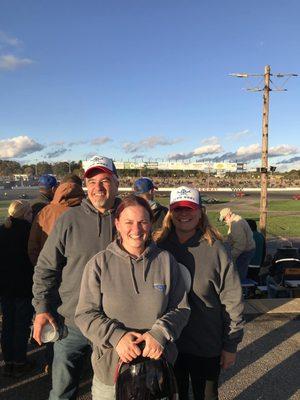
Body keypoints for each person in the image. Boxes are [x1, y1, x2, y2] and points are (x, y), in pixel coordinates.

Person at [75, 194, 190, 399]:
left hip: (157, 372)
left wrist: (159, 334)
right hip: (111, 374)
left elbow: (181, 309)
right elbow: (85, 314)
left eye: (142, 222)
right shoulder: (99, 264)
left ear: (151, 224)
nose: (136, 230)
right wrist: (117, 337)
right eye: (128, 222)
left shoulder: (165, 261)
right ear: (117, 224)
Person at [32, 155, 120, 400]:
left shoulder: (128, 218)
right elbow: (46, 268)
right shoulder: (69, 219)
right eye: (91, 182)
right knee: (61, 392)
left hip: (113, 324)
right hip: (71, 324)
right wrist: (41, 308)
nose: (97, 188)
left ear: (116, 182)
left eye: (104, 180)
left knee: (111, 392)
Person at [155, 187, 244, 400]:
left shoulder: (217, 249)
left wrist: (230, 345)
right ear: (170, 212)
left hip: (206, 344)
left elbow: (232, 300)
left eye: (190, 208)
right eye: (178, 209)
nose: (184, 214)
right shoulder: (158, 246)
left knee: (206, 395)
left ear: (201, 211)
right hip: (169, 343)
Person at [28, 179, 85, 373]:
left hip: (50, 277)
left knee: (51, 319)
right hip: (77, 278)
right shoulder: (84, 214)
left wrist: (42, 271)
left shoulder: (45, 211)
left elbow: (33, 247)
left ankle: (51, 363)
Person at [0, 200, 34, 378]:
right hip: (23, 287)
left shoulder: (2, 230)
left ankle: (8, 362)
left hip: (5, 287)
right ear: (25, 214)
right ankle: (20, 362)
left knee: (7, 324)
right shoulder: (29, 232)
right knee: (21, 325)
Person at [219, 207, 256, 281]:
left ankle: (241, 291)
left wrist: (231, 256)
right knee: (238, 273)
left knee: (239, 275)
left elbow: (240, 244)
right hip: (245, 250)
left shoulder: (236, 224)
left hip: (245, 252)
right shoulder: (234, 221)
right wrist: (222, 242)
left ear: (228, 215)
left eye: (224, 219)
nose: (224, 221)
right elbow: (231, 237)